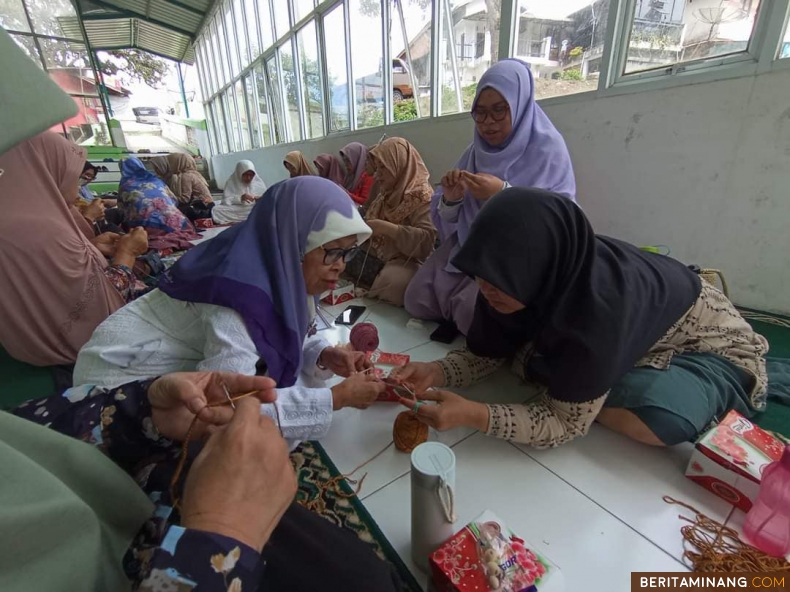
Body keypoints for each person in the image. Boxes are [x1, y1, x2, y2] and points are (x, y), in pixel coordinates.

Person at [393, 189, 772, 448]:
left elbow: (563, 424)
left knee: (657, 420)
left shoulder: (597, 309)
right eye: (481, 274)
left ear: (539, 267)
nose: (485, 289)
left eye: (499, 280)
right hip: (624, 323)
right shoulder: (513, 276)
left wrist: (475, 414)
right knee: (544, 367)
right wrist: (438, 371)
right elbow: (484, 353)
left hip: (711, 344)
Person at [3, 370, 403, 590]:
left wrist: (140, 414)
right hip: (181, 564)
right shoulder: (238, 306)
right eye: (332, 250)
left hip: (120, 484)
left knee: (355, 571)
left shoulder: (285, 288)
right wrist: (223, 534)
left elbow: (28, 433)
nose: (340, 263)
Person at [75, 177, 386, 449]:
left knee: (297, 381)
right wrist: (337, 399)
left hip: (160, 351)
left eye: (348, 252)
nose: (341, 265)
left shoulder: (273, 261)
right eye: (331, 251)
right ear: (294, 244)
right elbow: (225, 404)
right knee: (250, 438)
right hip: (114, 389)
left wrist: (323, 354)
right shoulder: (237, 299)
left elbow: (281, 332)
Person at [404, 59, 576, 336]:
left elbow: (561, 218)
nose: (488, 123)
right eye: (480, 113)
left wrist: (503, 193)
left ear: (519, 106)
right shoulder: (475, 152)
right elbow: (450, 219)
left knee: (476, 316)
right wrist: (452, 199)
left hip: (517, 260)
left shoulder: (547, 150)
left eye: (499, 110)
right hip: (471, 248)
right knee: (416, 299)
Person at [0, 132, 149, 366]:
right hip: (77, 348)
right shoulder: (43, 229)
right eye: (76, 174)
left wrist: (93, 247)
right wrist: (127, 253)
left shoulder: (20, 215)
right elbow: (97, 307)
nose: (78, 184)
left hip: (26, 347)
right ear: (46, 171)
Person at [350, 137, 437, 306]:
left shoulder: (422, 196)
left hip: (407, 260)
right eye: (378, 167)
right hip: (377, 255)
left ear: (399, 165)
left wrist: (387, 228)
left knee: (394, 283)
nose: (378, 174)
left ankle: (374, 283)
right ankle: (373, 280)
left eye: (384, 167)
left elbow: (427, 241)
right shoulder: (386, 193)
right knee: (340, 255)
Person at [119, 157, 194, 234]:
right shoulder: (155, 180)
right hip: (179, 224)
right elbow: (174, 200)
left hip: (147, 228)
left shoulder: (125, 185)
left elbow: (121, 210)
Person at [149, 153, 214, 220]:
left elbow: (185, 199)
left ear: (177, 163)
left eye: (171, 162)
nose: (170, 164)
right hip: (207, 207)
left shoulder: (186, 176)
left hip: (202, 211)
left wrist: (167, 197)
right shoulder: (193, 173)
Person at [213, 159, 267, 224]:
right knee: (216, 210)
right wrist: (240, 198)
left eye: (251, 175)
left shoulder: (258, 183)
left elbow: (266, 200)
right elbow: (225, 201)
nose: (248, 178)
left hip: (252, 208)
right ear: (239, 173)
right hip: (237, 208)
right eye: (245, 175)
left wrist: (259, 199)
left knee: (265, 209)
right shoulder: (231, 182)